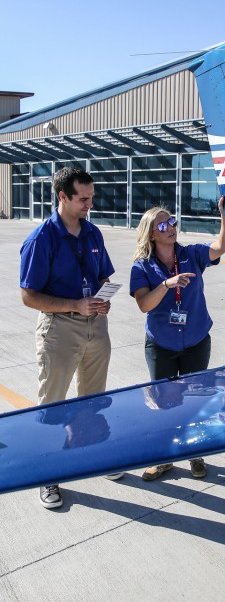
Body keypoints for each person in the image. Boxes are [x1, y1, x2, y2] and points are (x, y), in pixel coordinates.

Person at [19, 167, 121, 509]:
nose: (89, 204)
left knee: (93, 399)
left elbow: (104, 272)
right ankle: (47, 474)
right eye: (83, 199)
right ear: (62, 196)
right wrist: (75, 304)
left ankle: (92, 457)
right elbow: (29, 295)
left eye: (91, 197)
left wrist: (103, 298)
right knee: (53, 405)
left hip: (96, 325)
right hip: (60, 328)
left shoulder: (92, 233)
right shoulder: (41, 239)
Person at [130, 195, 225, 481]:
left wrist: (224, 214)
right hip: (161, 345)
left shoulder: (192, 254)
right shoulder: (142, 267)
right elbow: (144, 305)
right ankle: (163, 458)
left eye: (172, 221)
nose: (171, 227)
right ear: (151, 233)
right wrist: (166, 284)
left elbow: (222, 246)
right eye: (163, 225)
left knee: (193, 398)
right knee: (163, 401)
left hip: (196, 340)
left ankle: (194, 453)